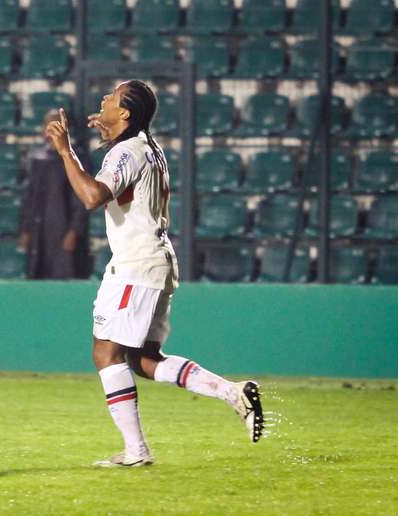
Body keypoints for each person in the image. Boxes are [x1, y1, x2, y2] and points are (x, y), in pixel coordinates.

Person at [45, 80, 263, 467]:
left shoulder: (127, 152)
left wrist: (66, 152)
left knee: (106, 354)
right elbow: (127, 174)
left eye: (112, 97)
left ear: (126, 112)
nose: (104, 99)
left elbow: (93, 197)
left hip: (134, 266)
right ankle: (233, 393)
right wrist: (111, 132)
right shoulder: (145, 147)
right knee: (143, 360)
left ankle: (136, 452)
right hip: (155, 263)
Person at [20, 109, 89, 279]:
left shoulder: (76, 158)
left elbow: (81, 199)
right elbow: (30, 197)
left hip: (63, 229)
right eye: (47, 126)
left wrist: (74, 231)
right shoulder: (37, 159)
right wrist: (26, 229)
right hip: (39, 230)